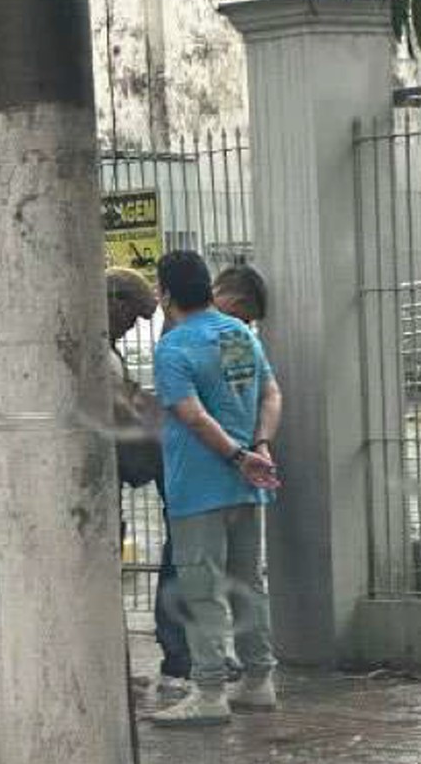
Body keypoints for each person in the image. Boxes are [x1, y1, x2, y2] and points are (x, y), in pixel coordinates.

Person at [150, 251, 283, 728]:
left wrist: (236, 455)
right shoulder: (238, 334)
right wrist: (258, 446)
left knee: (202, 589)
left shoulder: (173, 347)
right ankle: (259, 681)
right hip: (246, 485)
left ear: (166, 294)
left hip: (199, 486)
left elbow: (192, 415)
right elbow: (270, 393)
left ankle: (208, 692)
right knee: (248, 584)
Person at [105, 269, 193, 697]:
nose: (131, 328)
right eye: (132, 316)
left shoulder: (106, 351)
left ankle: (115, 667)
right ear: (114, 301)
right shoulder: (98, 354)